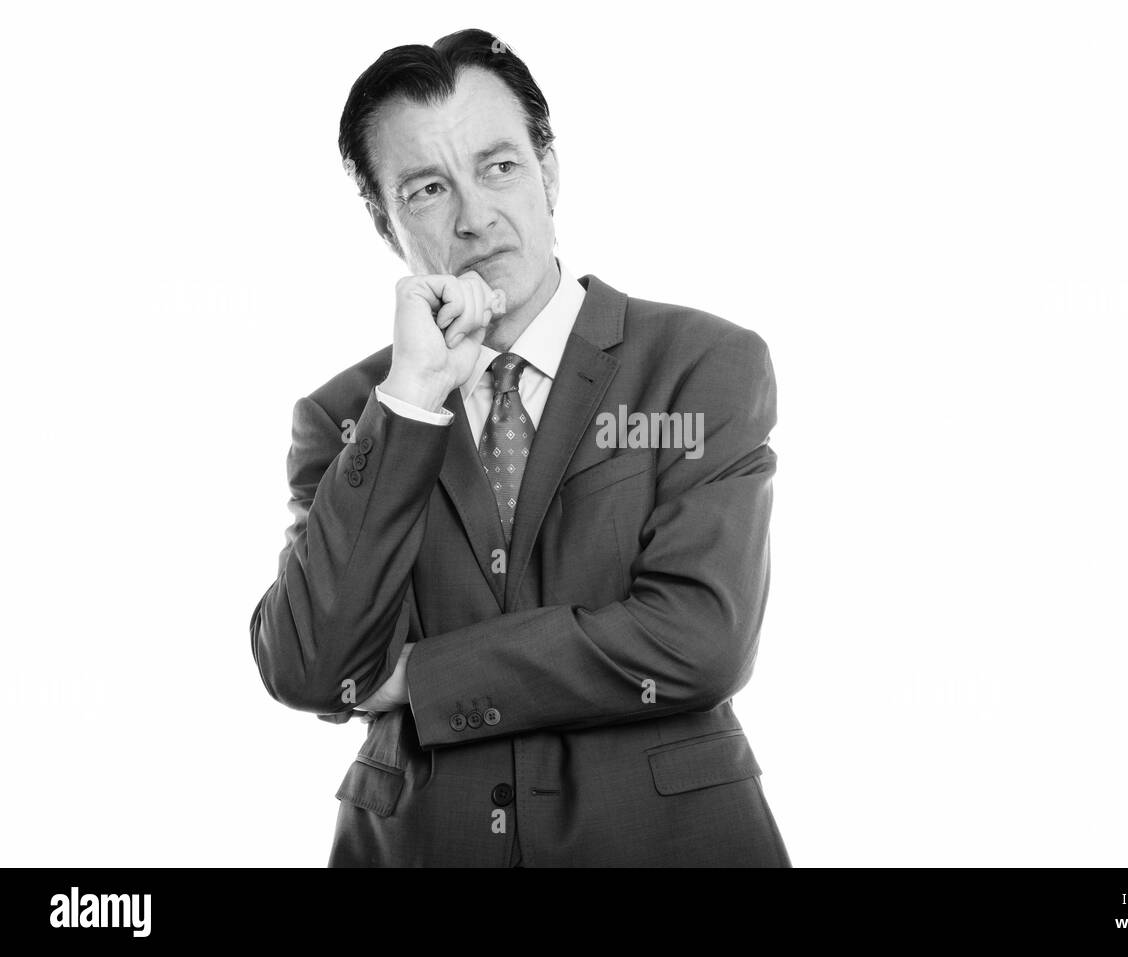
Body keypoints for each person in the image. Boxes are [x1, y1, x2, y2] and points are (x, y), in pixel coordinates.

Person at [249, 27, 790, 867]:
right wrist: (411, 405)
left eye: (499, 166)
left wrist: (423, 678)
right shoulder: (351, 416)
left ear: (550, 170)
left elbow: (701, 638)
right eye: (427, 188)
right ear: (385, 221)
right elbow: (314, 669)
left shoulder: (698, 365)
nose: (474, 216)